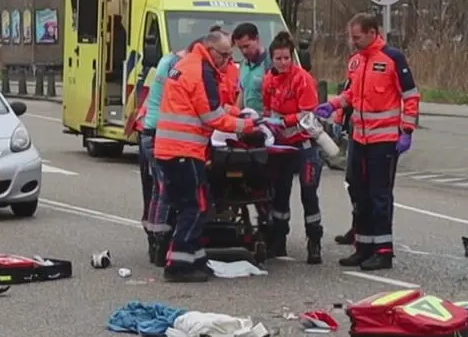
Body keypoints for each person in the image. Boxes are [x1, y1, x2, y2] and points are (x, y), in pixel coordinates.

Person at [153, 32, 259, 282]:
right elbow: (212, 118)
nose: (227, 60)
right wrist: (246, 127)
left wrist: (235, 112)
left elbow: (207, 106)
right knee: (196, 207)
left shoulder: (189, 65)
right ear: (210, 50)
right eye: (224, 55)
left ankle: (196, 258)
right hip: (184, 151)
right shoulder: (201, 71)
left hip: (172, 150)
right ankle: (178, 265)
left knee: (193, 204)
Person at [326, 12, 419, 272]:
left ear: (371, 32)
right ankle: (363, 246)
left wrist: (407, 130)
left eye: (356, 37)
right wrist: (333, 106)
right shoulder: (356, 61)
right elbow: (351, 94)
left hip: (385, 140)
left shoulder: (392, 59)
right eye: (351, 37)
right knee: (358, 191)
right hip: (359, 137)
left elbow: (410, 96)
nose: (352, 41)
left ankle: (383, 251)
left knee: (379, 196)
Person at [260, 31, 325, 263]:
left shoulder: (302, 79)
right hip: (281, 145)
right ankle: (279, 239)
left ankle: (314, 241)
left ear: (292, 57)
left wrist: (286, 120)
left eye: (287, 58)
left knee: (308, 192)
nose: (283, 62)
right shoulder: (269, 80)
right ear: (272, 59)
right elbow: (268, 110)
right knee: (280, 193)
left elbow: (308, 113)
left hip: (303, 143)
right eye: (278, 59)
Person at [130, 42, 184, 263]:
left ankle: (155, 241)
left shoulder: (167, 60)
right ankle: (160, 243)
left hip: (149, 131)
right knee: (164, 191)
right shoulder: (177, 66)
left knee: (156, 190)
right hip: (158, 134)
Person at [232, 22, 268, 114]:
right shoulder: (243, 64)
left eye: (247, 46)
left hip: (266, 121)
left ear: (257, 39)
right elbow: (242, 91)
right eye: (240, 48)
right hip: (248, 121)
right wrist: (235, 114)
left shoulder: (270, 63)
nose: (244, 51)